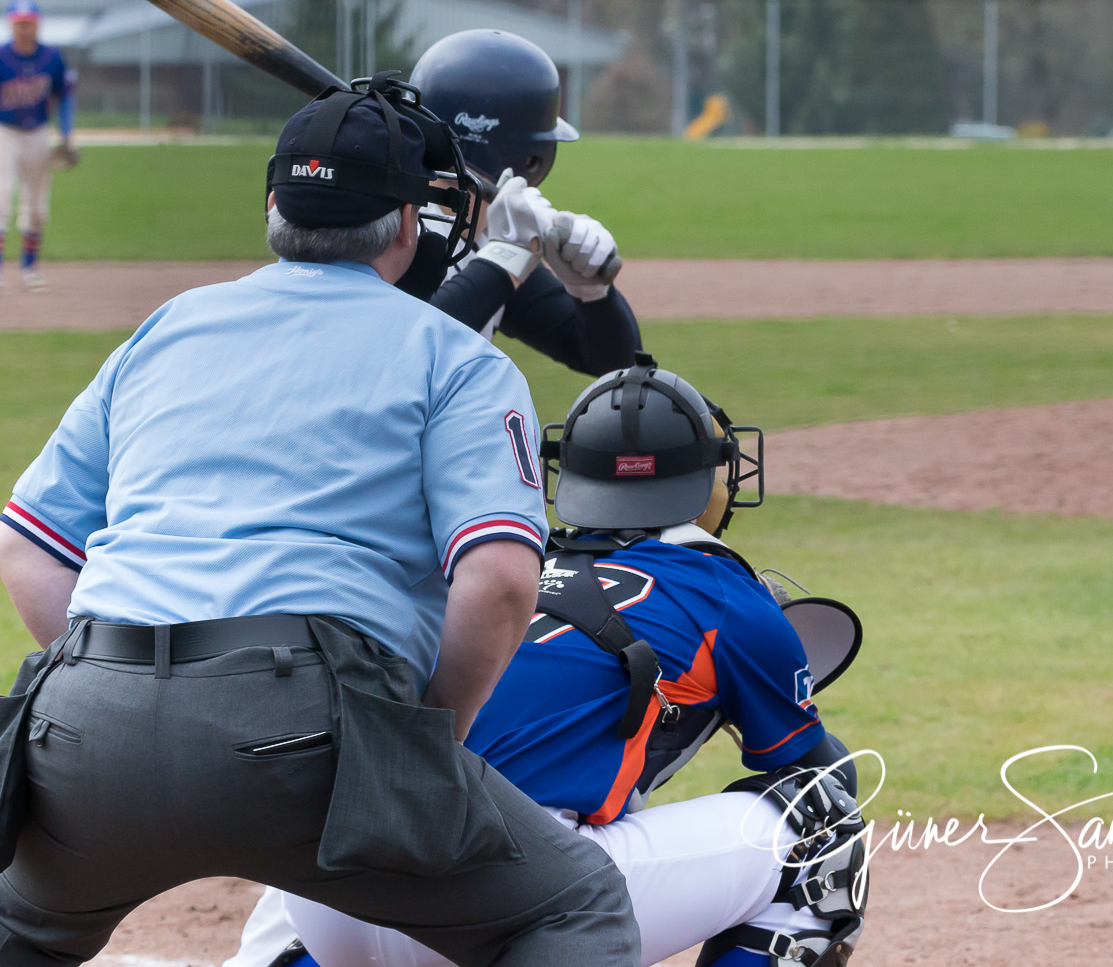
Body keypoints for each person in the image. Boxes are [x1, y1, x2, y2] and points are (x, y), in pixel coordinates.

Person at [0, 76, 639, 966]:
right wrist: (418, 740)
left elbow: (26, 544)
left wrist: (131, 680)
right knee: (573, 906)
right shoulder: (453, 356)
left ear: (273, 207)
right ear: (412, 227)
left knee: (18, 929)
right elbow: (498, 579)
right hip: (306, 725)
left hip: (82, 719)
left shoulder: (168, 326)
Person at [225, 357, 867, 967]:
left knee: (367, 813)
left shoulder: (487, 573)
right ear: (703, 483)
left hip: (334, 911)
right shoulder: (723, 592)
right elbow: (821, 773)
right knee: (824, 829)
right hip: (509, 910)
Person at [414, 30, 641, 376]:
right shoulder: (393, 230)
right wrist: (506, 259)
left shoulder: (487, 239)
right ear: (530, 157)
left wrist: (591, 291)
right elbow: (409, 348)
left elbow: (612, 361)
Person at [0, 0, 76, 291]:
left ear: (37, 24)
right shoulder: (2, 57)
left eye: (28, 22)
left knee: (37, 206)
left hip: (39, 133)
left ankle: (29, 269)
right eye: (19, 23)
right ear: (11, 24)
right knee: (2, 197)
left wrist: (67, 133)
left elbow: (66, 94)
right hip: (5, 132)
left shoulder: (52, 59)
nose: (24, 28)